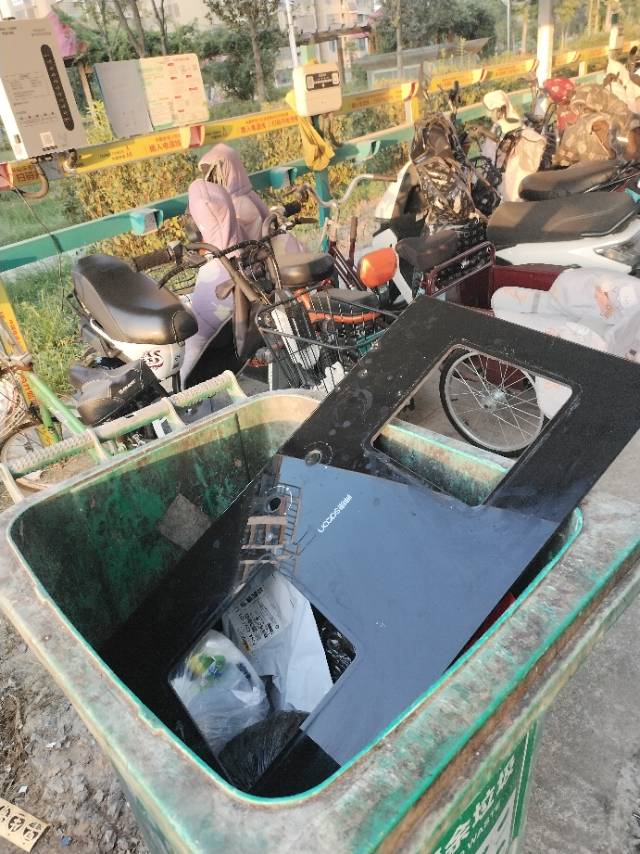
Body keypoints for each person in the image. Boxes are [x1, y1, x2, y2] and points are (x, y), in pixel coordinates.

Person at [181, 179, 241, 384]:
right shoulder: (240, 254)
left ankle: (181, 389)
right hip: (233, 349)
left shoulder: (211, 273)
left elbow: (197, 327)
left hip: (203, 356)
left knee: (190, 338)